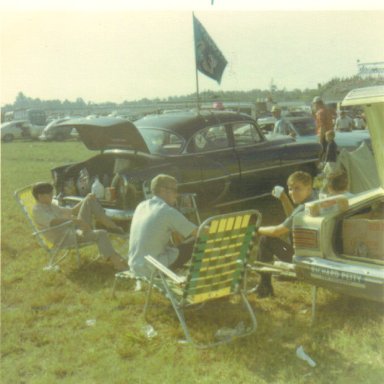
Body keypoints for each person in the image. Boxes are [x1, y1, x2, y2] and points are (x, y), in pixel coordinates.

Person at [31, 182, 127, 271]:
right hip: (63, 239)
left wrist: (85, 199)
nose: (52, 196)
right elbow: (54, 222)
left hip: (73, 232)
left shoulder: (50, 205)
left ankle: (111, 226)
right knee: (101, 233)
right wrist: (77, 221)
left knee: (89, 200)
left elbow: (72, 211)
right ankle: (118, 263)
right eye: (50, 194)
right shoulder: (38, 210)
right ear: (40, 196)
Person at [255, 171, 316, 298]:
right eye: (290, 189)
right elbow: (292, 218)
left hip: (304, 258)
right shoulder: (316, 197)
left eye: (298, 189)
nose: (293, 192)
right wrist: (284, 198)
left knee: (266, 240)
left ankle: (264, 286)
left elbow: (277, 231)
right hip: (314, 253)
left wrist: (255, 230)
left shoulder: (303, 208)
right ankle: (264, 285)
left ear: (309, 188)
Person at [128, 174, 198, 278]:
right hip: (154, 268)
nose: (177, 194)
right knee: (199, 241)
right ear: (163, 190)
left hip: (135, 266)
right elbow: (199, 232)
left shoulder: (141, 206)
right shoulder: (166, 211)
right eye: (175, 190)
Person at [312, 96, 334, 160]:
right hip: (330, 135)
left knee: (321, 156)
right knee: (329, 155)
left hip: (324, 137)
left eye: (314, 104)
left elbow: (322, 127)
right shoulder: (328, 111)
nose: (314, 106)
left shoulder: (320, 113)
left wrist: (320, 141)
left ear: (316, 104)